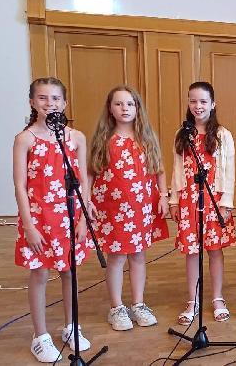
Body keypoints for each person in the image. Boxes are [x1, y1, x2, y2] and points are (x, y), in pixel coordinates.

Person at [14, 77, 92, 362]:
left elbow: (83, 181)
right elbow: (20, 185)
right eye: (43, 98)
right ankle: (40, 335)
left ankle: (71, 326)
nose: (50, 104)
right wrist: (30, 226)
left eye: (56, 98)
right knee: (41, 273)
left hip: (69, 215)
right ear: (33, 102)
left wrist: (83, 218)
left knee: (69, 271)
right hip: (39, 217)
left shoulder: (76, 137)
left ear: (65, 103)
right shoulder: (26, 139)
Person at [88, 86, 169, 330]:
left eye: (130, 104)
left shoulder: (145, 138)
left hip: (141, 207)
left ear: (137, 108)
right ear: (110, 109)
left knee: (138, 256)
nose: (125, 108)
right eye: (119, 104)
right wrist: (87, 200)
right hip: (112, 209)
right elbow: (91, 172)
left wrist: (163, 196)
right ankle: (116, 307)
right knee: (117, 257)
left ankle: (138, 303)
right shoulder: (104, 139)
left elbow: (159, 169)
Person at [169, 82, 236, 325]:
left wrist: (226, 202)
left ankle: (217, 298)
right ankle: (193, 299)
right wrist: (174, 200)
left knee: (214, 250)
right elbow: (177, 169)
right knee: (192, 252)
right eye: (193, 101)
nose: (198, 106)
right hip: (188, 201)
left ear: (213, 104)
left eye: (203, 102)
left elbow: (228, 171)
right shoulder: (182, 134)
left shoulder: (222, 135)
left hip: (214, 201)